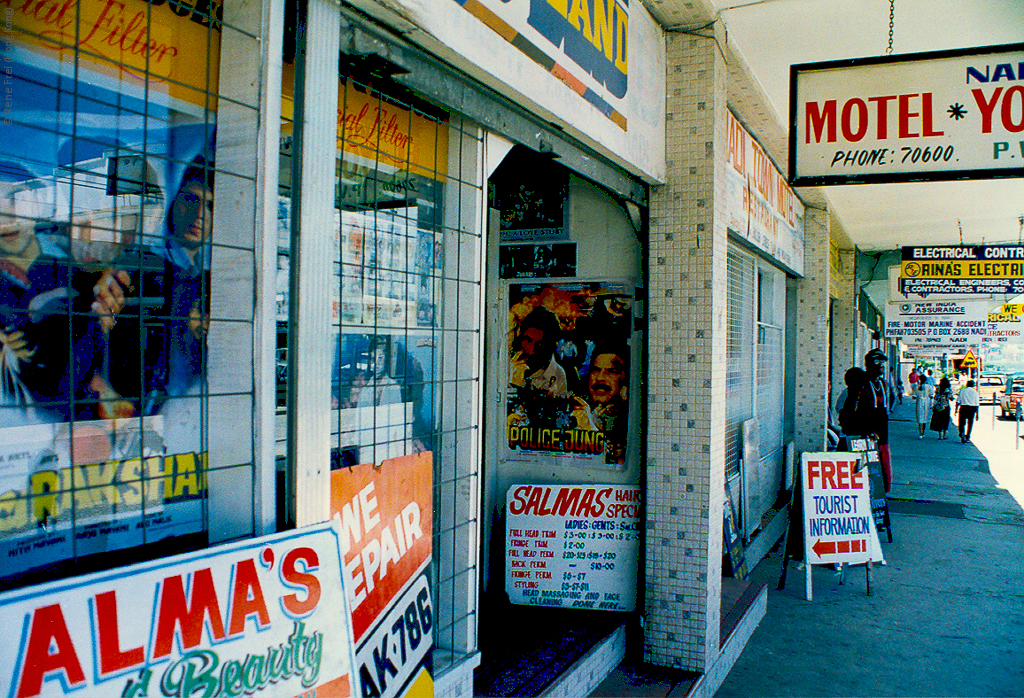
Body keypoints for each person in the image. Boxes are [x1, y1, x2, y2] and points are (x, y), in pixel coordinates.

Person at [955, 379, 980, 443]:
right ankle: (968, 436)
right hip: (972, 408)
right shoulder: (975, 392)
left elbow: (958, 401)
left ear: (967, 384)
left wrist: (956, 410)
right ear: (973, 385)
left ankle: (962, 433)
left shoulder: (962, 391)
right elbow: (977, 404)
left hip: (963, 407)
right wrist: (977, 414)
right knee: (970, 423)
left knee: (961, 422)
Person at [913, 372, 931, 439]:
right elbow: (931, 395)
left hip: (919, 402)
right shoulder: (928, 387)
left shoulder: (916, 387)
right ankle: (923, 432)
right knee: (925, 417)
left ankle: (920, 433)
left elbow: (914, 396)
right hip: (926, 402)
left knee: (919, 417)